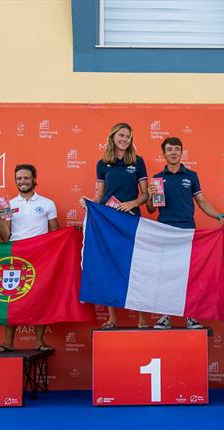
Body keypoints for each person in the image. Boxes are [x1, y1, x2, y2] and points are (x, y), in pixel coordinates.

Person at [146, 136, 224, 329]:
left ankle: (191, 316)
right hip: (164, 231)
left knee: (188, 275)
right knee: (166, 275)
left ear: (181, 152)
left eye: (177, 149)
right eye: (169, 149)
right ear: (164, 153)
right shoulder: (158, 179)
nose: (173, 152)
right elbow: (151, 209)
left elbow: (201, 202)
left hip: (186, 233)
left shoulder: (191, 176)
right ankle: (165, 316)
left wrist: (218, 216)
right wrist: (150, 196)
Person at [80, 122, 149, 329]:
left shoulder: (138, 162)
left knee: (135, 266)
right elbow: (100, 195)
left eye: (128, 136)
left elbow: (145, 194)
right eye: (121, 135)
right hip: (108, 221)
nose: (125, 139)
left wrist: (132, 204)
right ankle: (112, 318)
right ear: (113, 137)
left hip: (130, 218)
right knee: (109, 266)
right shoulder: (102, 163)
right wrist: (90, 207)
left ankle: (142, 319)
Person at [0, 164, 57, 353]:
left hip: (41, 256)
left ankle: (39, 342)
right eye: (19, 178)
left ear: (34, 180)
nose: (22, 182)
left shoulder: (47, 203)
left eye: (26, 178)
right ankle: (8, 342)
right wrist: (1, 217)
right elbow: (5, 235)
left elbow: (55, 232)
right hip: (16, 255)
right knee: (13, 297)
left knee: (41, 297)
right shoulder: (9, 204)